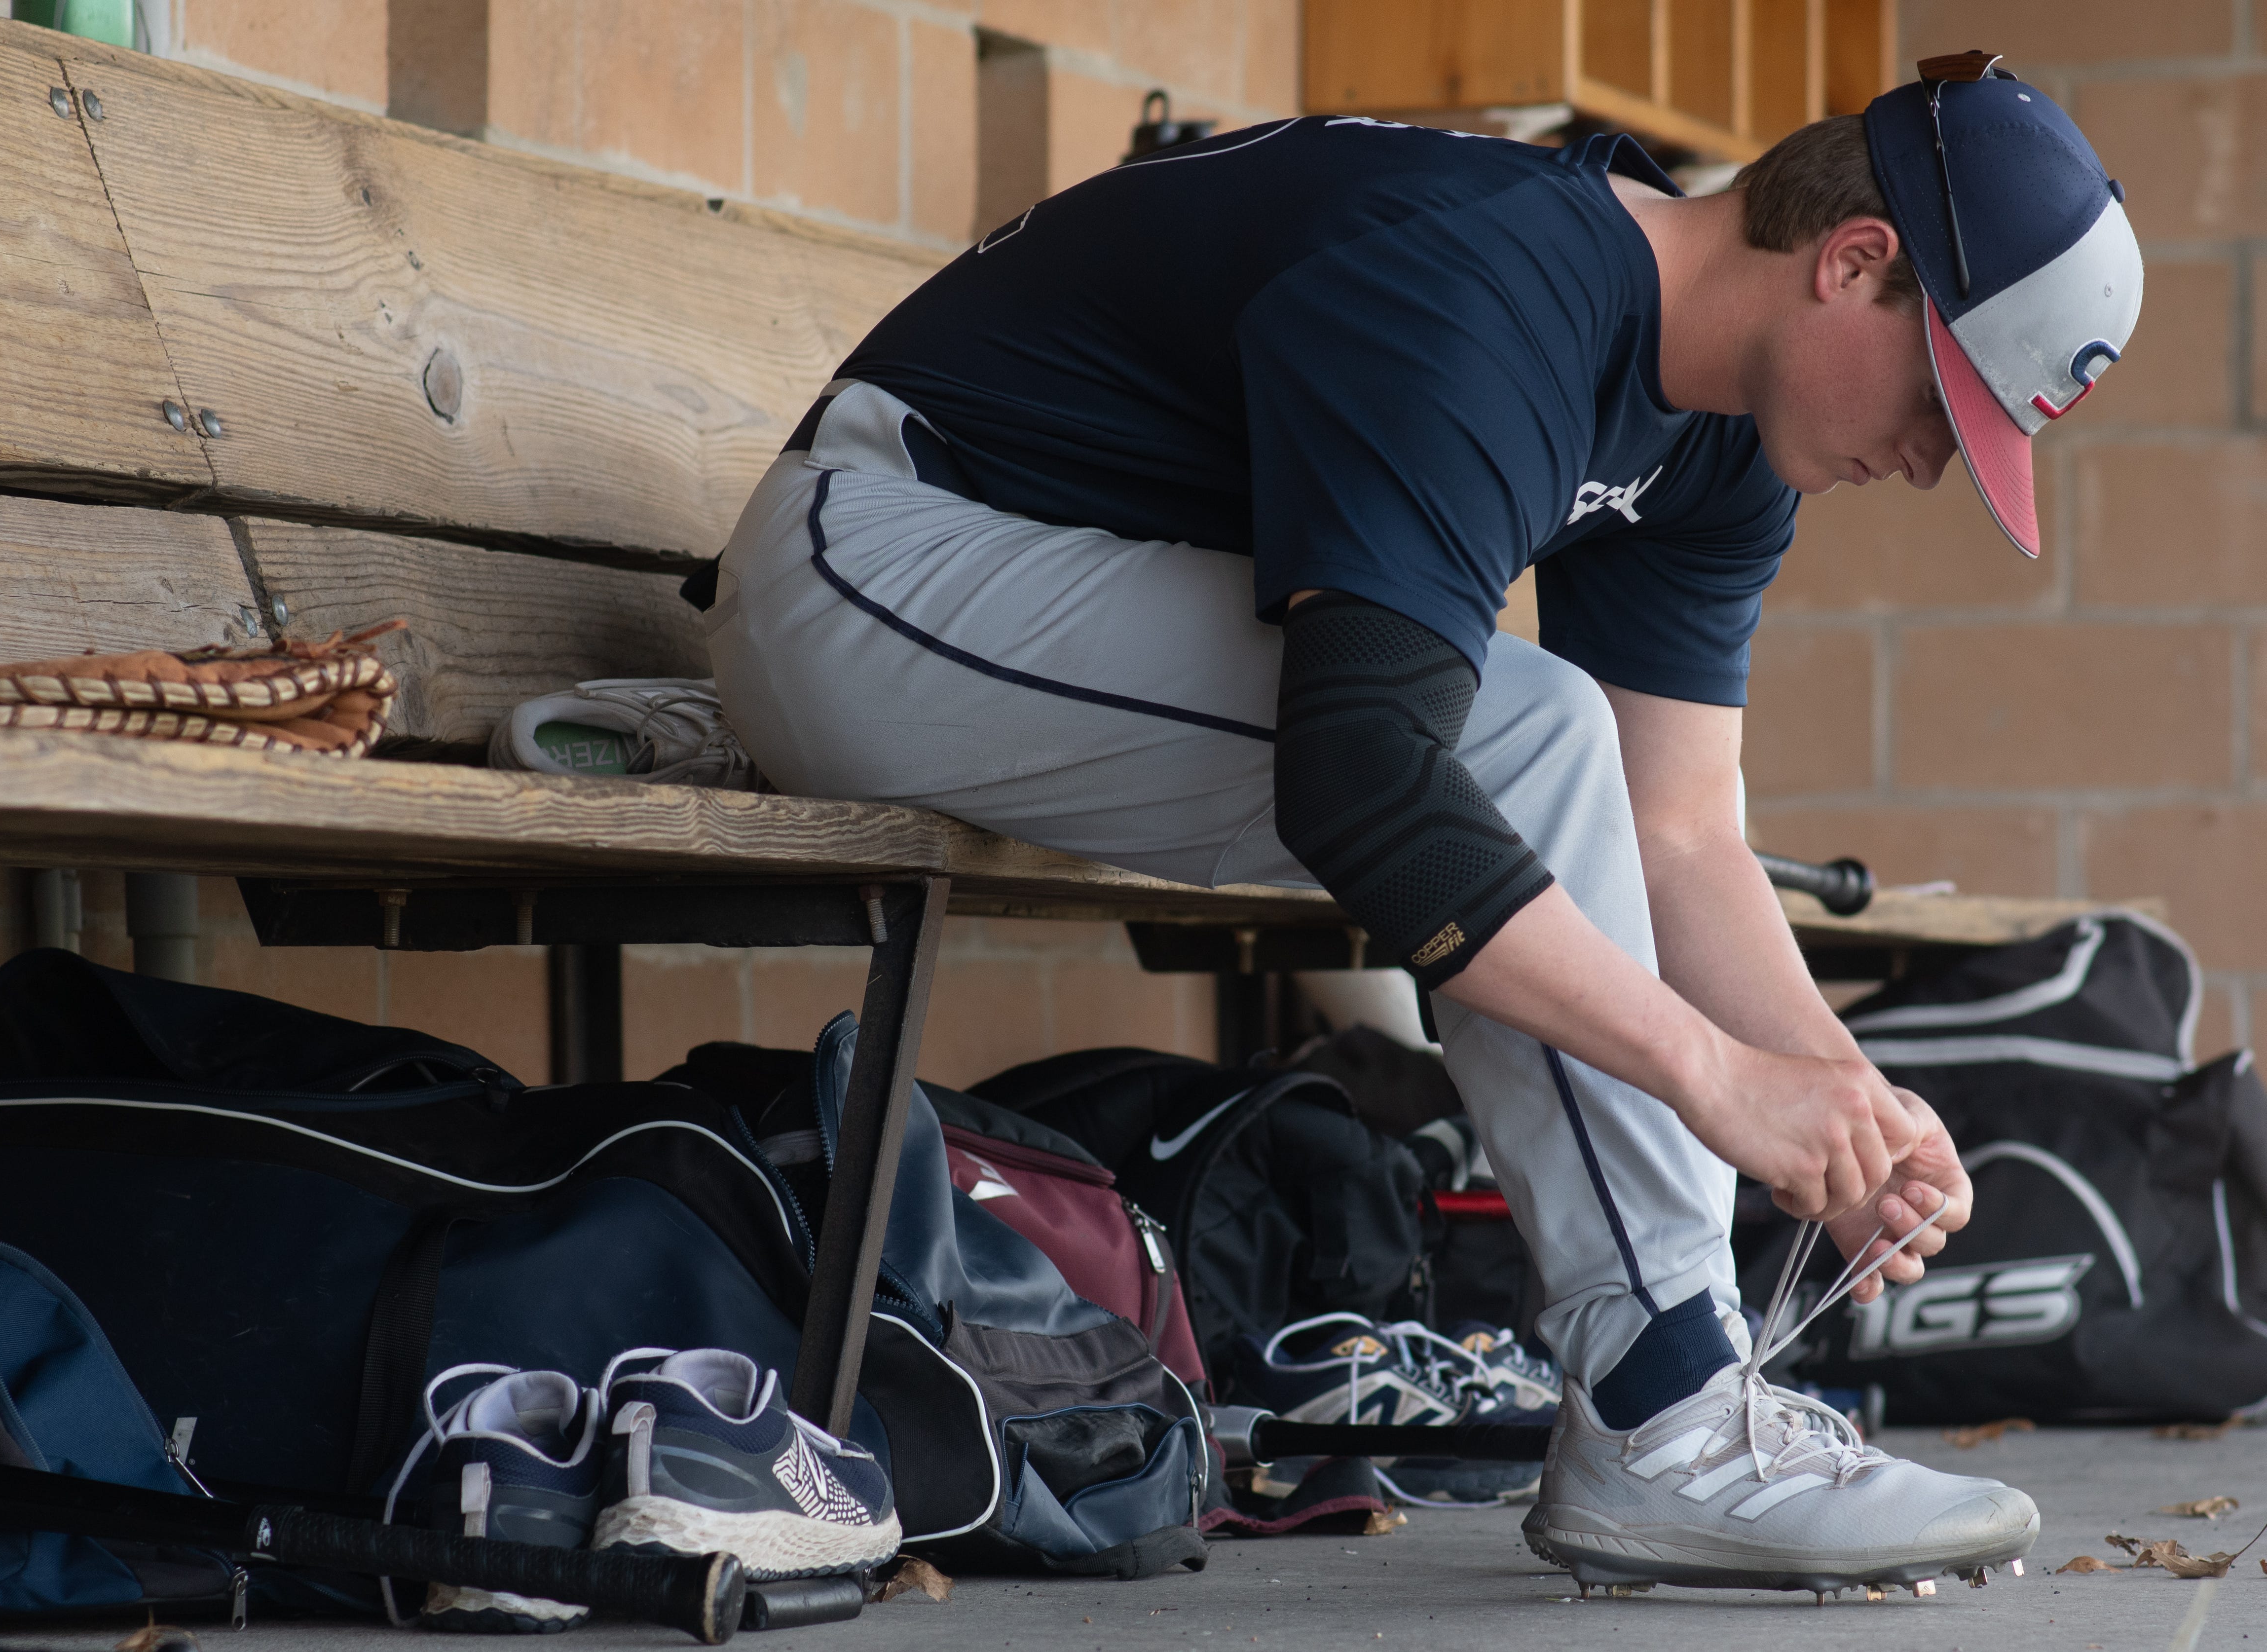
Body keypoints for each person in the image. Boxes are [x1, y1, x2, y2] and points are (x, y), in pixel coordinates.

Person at [693, 53, 2141, 1593]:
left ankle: (1675, 1396)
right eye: (1943, 397)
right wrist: (1716, 1078)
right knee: (1521, 730)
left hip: (1053, 598)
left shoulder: (1724, 435)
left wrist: (1838, 1097)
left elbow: (1679, 835)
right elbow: (1366, 780)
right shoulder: (1498, 284)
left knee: (1539, 732)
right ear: (1854, 265)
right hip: (877, 570)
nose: (1930, 461)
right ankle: (1667, 1411)